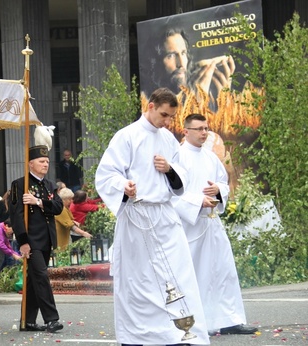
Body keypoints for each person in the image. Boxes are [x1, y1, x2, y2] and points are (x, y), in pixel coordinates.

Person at [95, 88, 209, 346]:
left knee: (178, 276)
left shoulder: (168, 139)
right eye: (163, 115)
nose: (167, 121)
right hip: (137, 216)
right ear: (150, 105)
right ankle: (138, 335)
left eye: (170, 117)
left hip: (165, 217)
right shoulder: (126, 136)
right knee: (140, 281)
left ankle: (178, 333)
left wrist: (169, 170)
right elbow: (105, 174)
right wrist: (124, 185)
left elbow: (182, 178)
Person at [173, 113, 258, 336]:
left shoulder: (211, 158)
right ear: (186, 131)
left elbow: (223, 182)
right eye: (199, 129)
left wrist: (218, 191)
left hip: (212, 223)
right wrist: (196, 201)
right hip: (190, 225)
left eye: (206, 128)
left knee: (223, 271)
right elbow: (170, 194)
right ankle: (196, 322)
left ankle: (230, 319)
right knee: (196, 273)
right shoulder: (178, 157)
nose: (204, 133)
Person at [9, 145, 64, 333]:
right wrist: (23, 242)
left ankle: (28, 321)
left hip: (46, 239)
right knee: (41, 277)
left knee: (33, 280)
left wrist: (38, 202)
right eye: (41, 161)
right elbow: (16, 215)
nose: (45, 164)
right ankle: (52, 319)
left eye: (47, 161)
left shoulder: (49, 185)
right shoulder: (20, 184)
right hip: (31, 241)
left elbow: (58, 207)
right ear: (30, 163)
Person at [140, 27, 235, 105]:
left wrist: (224, 105)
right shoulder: (148, 103)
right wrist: (196, 104)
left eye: (183, 53)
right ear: (155, 63)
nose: (181, 64)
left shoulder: (208, 95)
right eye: (171, 55)